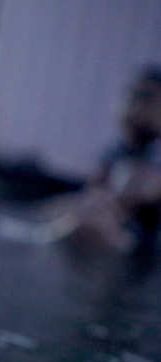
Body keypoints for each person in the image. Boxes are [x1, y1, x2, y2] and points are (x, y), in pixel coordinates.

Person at [48, 66, 161, 252]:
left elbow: (136, 193)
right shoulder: (117, 152)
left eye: (146, 99)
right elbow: (93, 191)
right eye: (132, 97)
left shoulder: (154, 157)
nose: (134, 107)